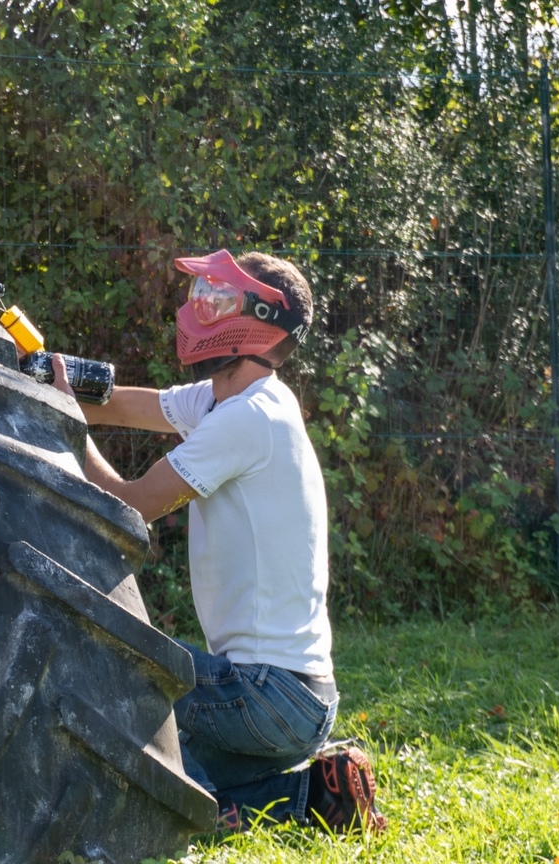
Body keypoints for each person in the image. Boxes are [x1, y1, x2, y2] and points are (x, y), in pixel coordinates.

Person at [45, 249, 386, 834]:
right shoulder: (230, 399)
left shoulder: (246, 419)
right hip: (294, 702)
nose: (199, 308)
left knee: (115, 669)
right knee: (151, 765)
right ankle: (314, 796)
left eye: (218, 298)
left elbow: (130, 504)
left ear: (257, 321)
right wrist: (42, 375)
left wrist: (62, 421)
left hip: (267, 696)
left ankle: (197, 809)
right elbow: (123, 405)